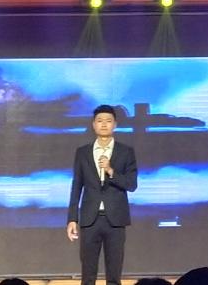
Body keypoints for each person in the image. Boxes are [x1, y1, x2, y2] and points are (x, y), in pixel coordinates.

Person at [66, 104, 139, 285]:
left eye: (108, 121)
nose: (104, 124)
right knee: (88, 275)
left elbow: (131, 185)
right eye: (100, 121)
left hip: (115, 220)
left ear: (115, 124)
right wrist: (72, 219)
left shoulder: (126, 152)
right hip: (90, 219)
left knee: (114, 275)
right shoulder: (83, 152)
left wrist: (110, 171)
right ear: (93, 125)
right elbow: (77, 186)